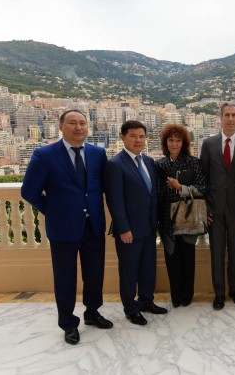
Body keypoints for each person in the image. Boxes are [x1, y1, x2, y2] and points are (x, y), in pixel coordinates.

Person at [21, 109, 112, 345]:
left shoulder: (98, 153)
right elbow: (29, 191)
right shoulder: (45, 155)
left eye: (83, 123)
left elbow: (101, 186)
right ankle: (68, 323)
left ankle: (92, 313)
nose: (79, 127)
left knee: (95, 275)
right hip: (63, 228)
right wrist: (52, 211)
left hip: (93, 226)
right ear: (61, 126)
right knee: (65, 278)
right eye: (72, 123)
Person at [104, 120, 167, 326]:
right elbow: (115, 200)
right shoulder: (115, 164)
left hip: (149, 227)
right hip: (129, 231)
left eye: (141, 136)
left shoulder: (148, 161)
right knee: (129, 271)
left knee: (148, 268)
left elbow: (151, 195)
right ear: (123, 137)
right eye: (133, 136)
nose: (138, 140)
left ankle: (146, 301)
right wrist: (123, 228)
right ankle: (130, 309)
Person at [200, 103, 235, 310]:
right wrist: (205, 207)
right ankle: (219, 293)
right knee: (217, 253)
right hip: (214, 209)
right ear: (220, 118)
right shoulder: (208, 144)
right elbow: (202, 177)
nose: (230, 119)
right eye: (227, 115)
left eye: (234, 115)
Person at [156, 124, 207, 308]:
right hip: (167, 220)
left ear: (184, 143)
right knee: (172, 259)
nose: (174, 144)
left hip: (187, 218)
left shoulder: (193, 163)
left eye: (178, 140)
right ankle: (176, 296)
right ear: (165, 142)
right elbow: (158, 195)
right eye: (171, 140)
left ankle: (187, 295)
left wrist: (180, 188)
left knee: (187, 259)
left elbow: (202, 189)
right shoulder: (160, 165)